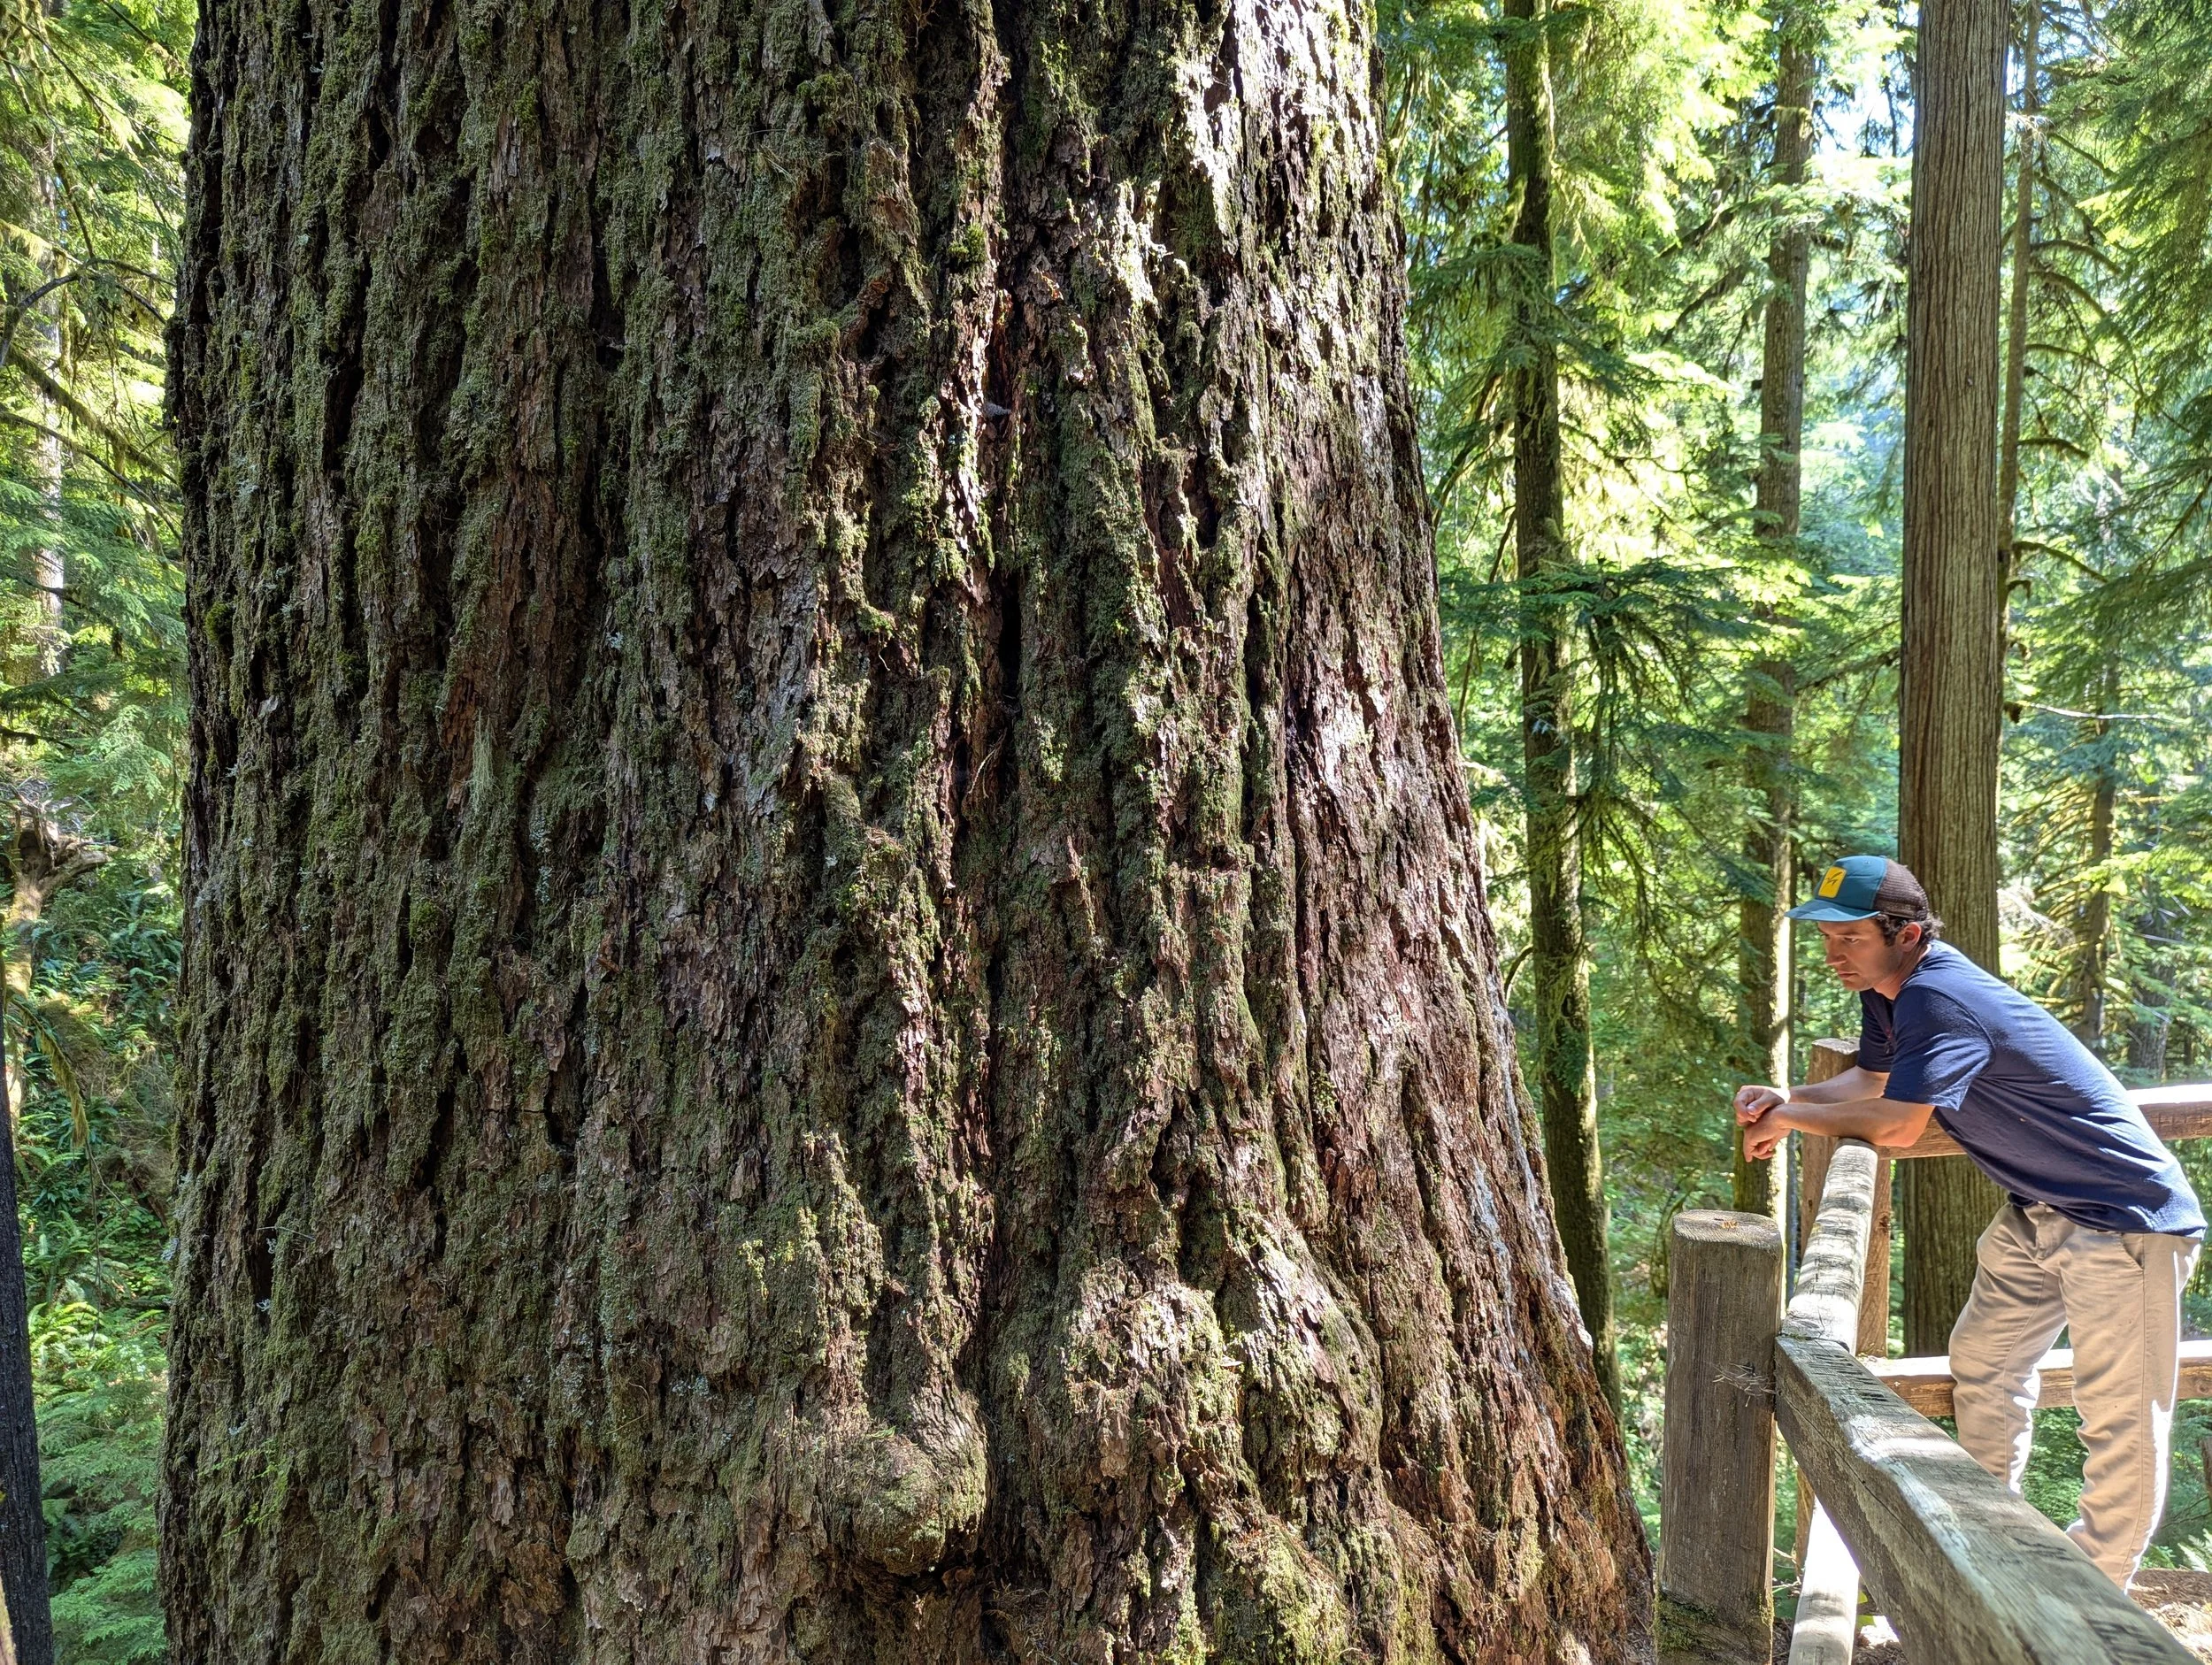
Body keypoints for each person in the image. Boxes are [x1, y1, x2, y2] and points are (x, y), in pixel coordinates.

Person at [1734, 852, 2205, 1587]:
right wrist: (1785, 1097)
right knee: (1983, 1368)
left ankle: (2091, 1606)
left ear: (1908, 932)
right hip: (2037, 1212)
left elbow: (1896, 1123)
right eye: (1826, 937)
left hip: (2126, 1224)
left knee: (2118, 1422)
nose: (1834, 954)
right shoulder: (1893, 992)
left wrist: (1792, 1118)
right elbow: (1872, 1076)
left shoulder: (1940, 997)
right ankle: (1993, 1552)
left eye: (1850, 937)